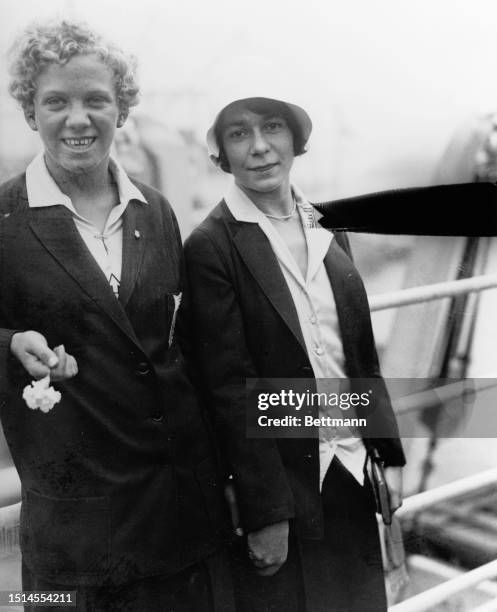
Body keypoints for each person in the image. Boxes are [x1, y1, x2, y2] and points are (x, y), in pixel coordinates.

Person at [0, 20, 231, 611]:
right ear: (31, 112)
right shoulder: (4, 217)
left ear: (121, 110)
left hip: (178, 522)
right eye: (56, 102)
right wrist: (10, 343)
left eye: (96, 100)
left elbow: (176, 352)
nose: (78, 119)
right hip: (73, 539)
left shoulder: (155, 212)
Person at [182, 86, 406, 611]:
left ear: (296, 138)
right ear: (219, 150)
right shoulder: (211, 247)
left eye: (272, 127)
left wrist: (386, 454)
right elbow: (229, 390)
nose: (259, 147)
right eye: (239, 133)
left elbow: (358, 353)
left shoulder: (327, 227)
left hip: (352, 473)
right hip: (287, 495)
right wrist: (265, 514)